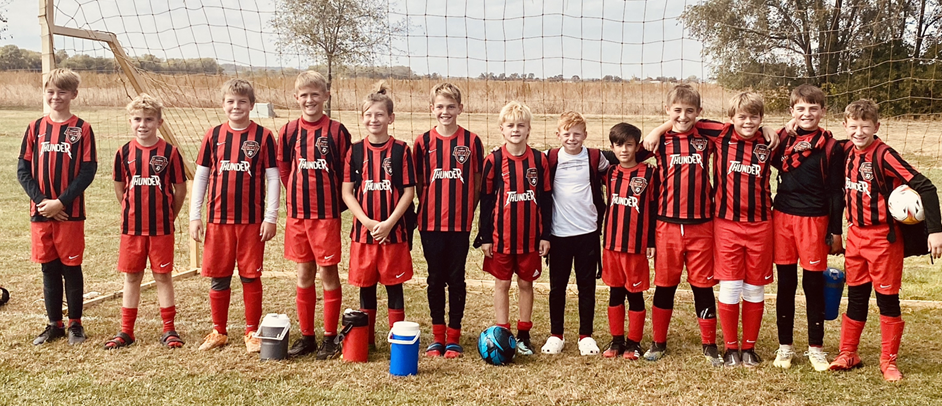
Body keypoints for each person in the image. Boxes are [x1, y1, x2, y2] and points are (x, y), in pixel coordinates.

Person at [829, 99, 942, 381]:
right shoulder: (846, 152)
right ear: (845, 126)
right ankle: (848, 352)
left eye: (865, 127)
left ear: (876, 127)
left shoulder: (885, 155)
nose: (858, 132)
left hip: (883, 239)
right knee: (855, 296)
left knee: (887, 300)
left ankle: (888, 361)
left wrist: (935, 231)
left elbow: (926, 186)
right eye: (853, 127)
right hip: (855, 236)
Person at [189, 79, 280, 352]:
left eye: (242, 101)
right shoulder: (213, 135)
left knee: (250, 276)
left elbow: (273, 178)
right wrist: (195, 216)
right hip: (218, 220)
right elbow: (202, 176)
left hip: (252, 222)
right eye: (231, 101)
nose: (236, 106)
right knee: (219, 277)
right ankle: (219, 331)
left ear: (252, 105)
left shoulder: (263, 137)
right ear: (223, 105)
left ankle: (252, 331)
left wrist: (271, 217)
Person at [638, 84, 722, 365]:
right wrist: (657, 131)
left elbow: (736, 126)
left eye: (689, 111)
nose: (683, 116)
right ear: (667, 110)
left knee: (702, 286)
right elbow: (629, 156)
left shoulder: (707, 137)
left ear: (699, 112)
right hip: (667, 226)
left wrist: (771, 130)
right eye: (677, 111)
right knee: (665, 285)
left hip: (701, 226)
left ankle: (709, 345)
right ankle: (658, 342)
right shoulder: (659, 142)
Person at [18, 68, 97, 345]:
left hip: (69, 213)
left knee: (71, 267)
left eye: (62, 91)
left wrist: (61, 202)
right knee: (49, 269)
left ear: (73, 94)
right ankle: (54, 324)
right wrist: (43, 203)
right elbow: (23, 170)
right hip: (40, 213)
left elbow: (88, 170)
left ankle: (76, 324)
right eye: (51, 91)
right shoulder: (35, 128)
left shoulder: (82, 129)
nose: (56, 96)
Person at [769, 84, 844, 370]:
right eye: (800, 108)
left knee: (813, 285)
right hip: (783, 218)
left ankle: (816, 348)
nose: (807, 113)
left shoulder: (831, 145)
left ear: (823, 111)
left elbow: (836, 192)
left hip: (815, 220)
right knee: (786, 284)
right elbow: (766, 151)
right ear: (792, 112)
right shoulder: (784, 141)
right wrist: (785, 130)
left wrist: (835, 230)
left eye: (813, 108)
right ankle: (784, 347)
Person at [277, 71, 350, 359]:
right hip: (297, 216)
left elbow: (346, 171)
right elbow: (284, 168)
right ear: (296, 98)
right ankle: (307, 336)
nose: (310, 99)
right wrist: (296, 193)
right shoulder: (288, 130)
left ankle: (330, 338)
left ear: (326, 96)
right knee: (304, 272)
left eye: (315, 94)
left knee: (328, 272)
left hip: (326, 216)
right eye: (304, 95)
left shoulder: (337, 131)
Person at [106, 94, 186, 349]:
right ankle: (126, 331)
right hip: (132, 228)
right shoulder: (123, 152)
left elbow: (180, 189)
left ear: (159, 122)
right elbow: (120, 188)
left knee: (163, 276)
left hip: (161, 227)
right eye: (138, 119)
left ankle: (169, 329)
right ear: (130, 121)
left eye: (149, 119)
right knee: (132, 277)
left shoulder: (170, 152)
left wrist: (169, 215)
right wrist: (131, 210)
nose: (143, 124)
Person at [341, 81, 416, 350]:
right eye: (369, 115)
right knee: (366, 287)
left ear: (390, 118)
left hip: (393, 233)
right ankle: (367, 340)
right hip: (364, 234)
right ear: (363, 119)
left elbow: (408, 192)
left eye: (380, 114)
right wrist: (369, 222)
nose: (374, 119)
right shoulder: (355, 150)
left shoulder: (401, 150)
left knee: (394, 288)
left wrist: (388, 223)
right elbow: (347, 192)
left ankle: (398, 339)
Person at [474, 101, 552, 356]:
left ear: (529, 129)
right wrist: (485, 236)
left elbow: (547, 199)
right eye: (510, 125)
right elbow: (485, 201)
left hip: (530, 239)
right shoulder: (494, 160)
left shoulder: (539, 160)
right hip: (501, 238)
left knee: (526, 285)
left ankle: (524, 335)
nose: (515, 129)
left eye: (521, 125)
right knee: (502, 284)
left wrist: (545, 235)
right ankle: (501, 332)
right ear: (502, 129)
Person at [413, 83, 484, 358]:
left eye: (451, 106)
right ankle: (437, 335)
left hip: (459, 224)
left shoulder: (471, 141)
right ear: (432, 109)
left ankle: (453, 336)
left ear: (460, 109)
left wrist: (466, 209)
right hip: (430, 223)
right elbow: (418, 182)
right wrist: (428, 206)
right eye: (440, 107)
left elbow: (477, 183)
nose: (446, 112)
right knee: (434, 278)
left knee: (456, 279)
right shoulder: (422, 142)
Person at [542, 111, 609, 356]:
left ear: (585, 135)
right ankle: (556, 334)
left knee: (587, 286)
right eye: (566, 133)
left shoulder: (595, 157)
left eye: (577, 134)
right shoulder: (548, 158)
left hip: (588, 233)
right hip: (559, 235)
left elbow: (620, 169)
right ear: (558, 134)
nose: (572, 138)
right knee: (557, 287)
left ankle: (586, 336)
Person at [599, 123, 656, 360]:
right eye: (619, 145)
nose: (624, 150)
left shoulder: (650, 173)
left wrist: (651, 241)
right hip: (611, 245)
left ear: (637, 146)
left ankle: (634, 343)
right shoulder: (609, 172)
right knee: (614, 293)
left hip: (636, 246)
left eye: (629, 145)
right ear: (612, 147)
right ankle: (616, 341)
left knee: (635, 294)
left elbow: (653, 210)